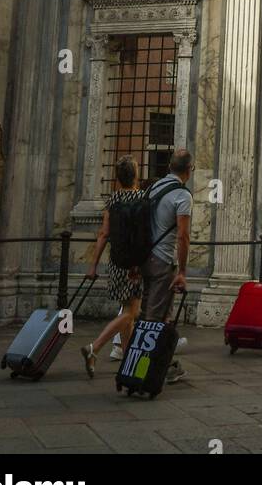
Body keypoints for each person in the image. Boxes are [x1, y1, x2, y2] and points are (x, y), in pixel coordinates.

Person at [81, 155, 144, 378]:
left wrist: (93, 265)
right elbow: (143, 236)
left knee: (127, 312)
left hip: (116, 264)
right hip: (134, 266)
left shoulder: (113, 200)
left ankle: (128, 362)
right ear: (136, 175)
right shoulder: (141, 199)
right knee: (132, 312)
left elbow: (104, 234)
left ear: (118, 178)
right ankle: (95, 347)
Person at [141, 148, 194, 385]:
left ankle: (169, 365)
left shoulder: (155, 187)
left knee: (156, 314)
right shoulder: (182, 196)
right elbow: (183, 236)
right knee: (155, 317)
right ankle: (142, 367)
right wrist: (182, 271)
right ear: (189, 170)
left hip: (145, 258)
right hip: (163, 261)